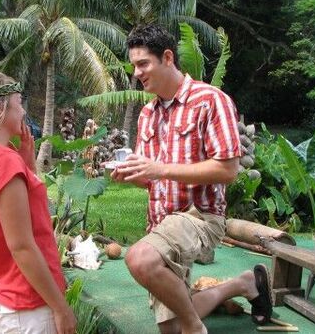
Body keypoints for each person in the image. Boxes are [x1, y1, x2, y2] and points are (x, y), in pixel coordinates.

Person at [111, 24, 272, 334]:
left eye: (143, 63)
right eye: (133, 65)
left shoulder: (210, 100)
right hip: (161, 223)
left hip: (200, 217)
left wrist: (159, 169)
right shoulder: (148, 113)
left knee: (140, 259)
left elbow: (227, 170)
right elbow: (150, 178)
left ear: (167, 57)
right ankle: (241, 283)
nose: (136, 72)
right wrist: (131, 175)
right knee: (170, 326)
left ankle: (196, 328)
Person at [0, 70, 76, 334]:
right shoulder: (4, 161)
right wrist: (61, 307)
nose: (22, 111)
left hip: (3, 295)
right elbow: (21, 246)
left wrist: (27, 165)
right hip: (27, 305)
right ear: (1, 107)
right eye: (19, 102)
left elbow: (10, 218)